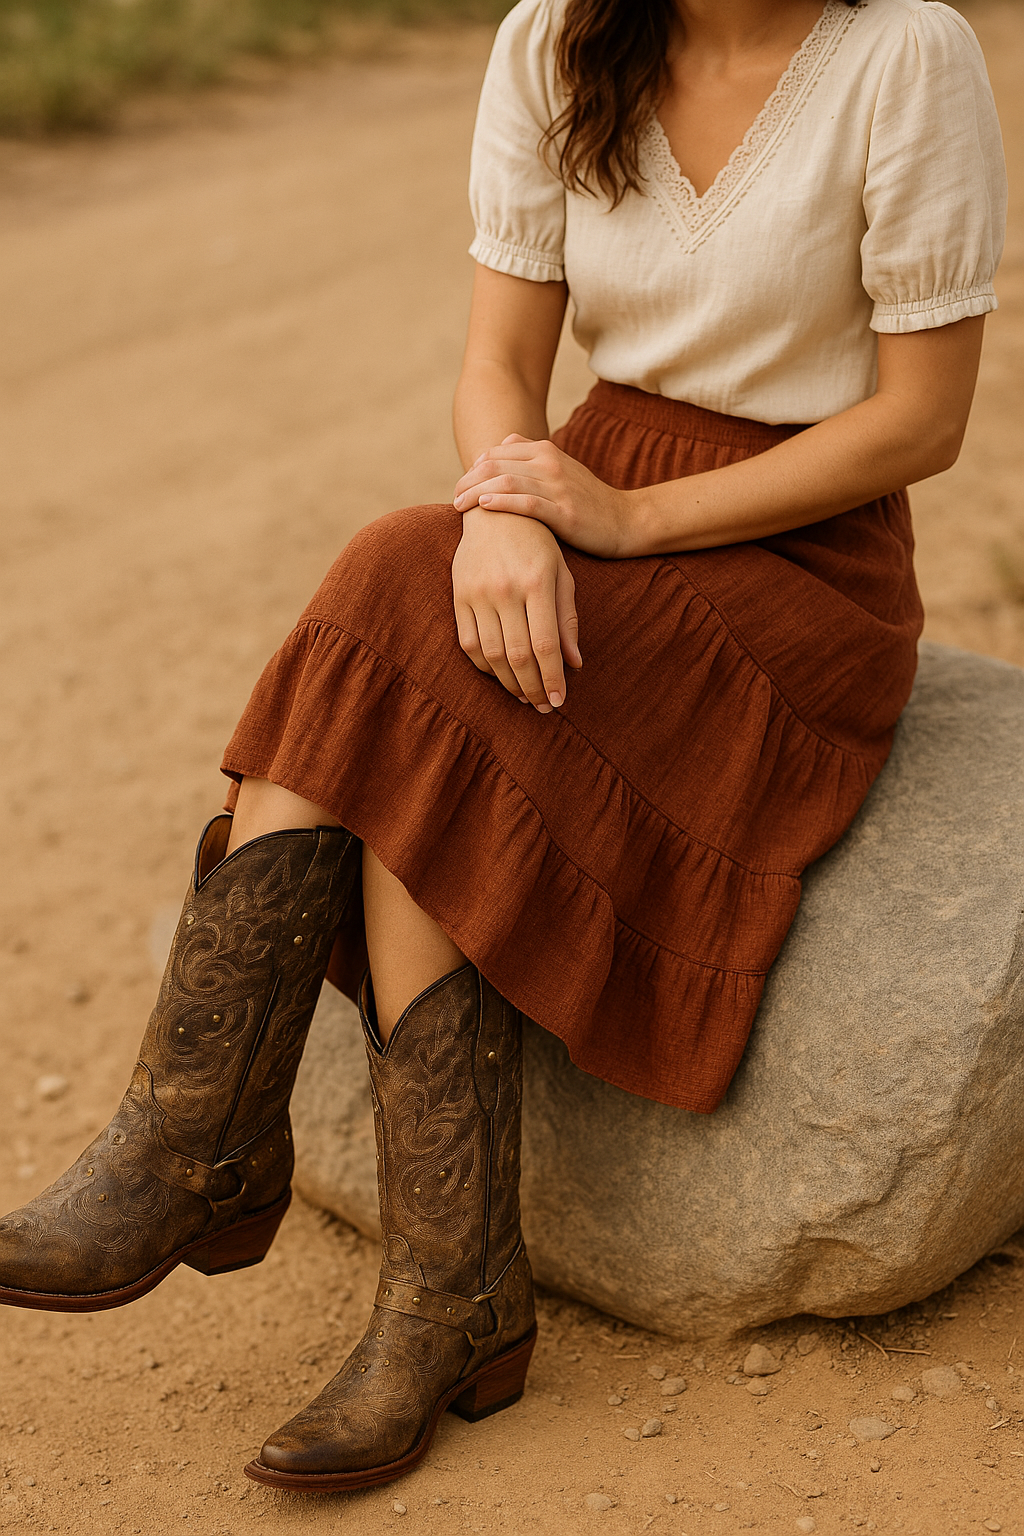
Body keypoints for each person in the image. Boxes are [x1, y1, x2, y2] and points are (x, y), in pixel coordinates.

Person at [0, 0, 1005, 1497]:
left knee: (407, 637)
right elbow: (495, 366)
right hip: (579, 483)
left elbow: (923, 420)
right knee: (418, 595)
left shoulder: (907, 53)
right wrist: (502, 510)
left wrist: (627, 520)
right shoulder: (557, 37)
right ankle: (434, 1279)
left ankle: (225, 1154)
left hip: (800, 561)